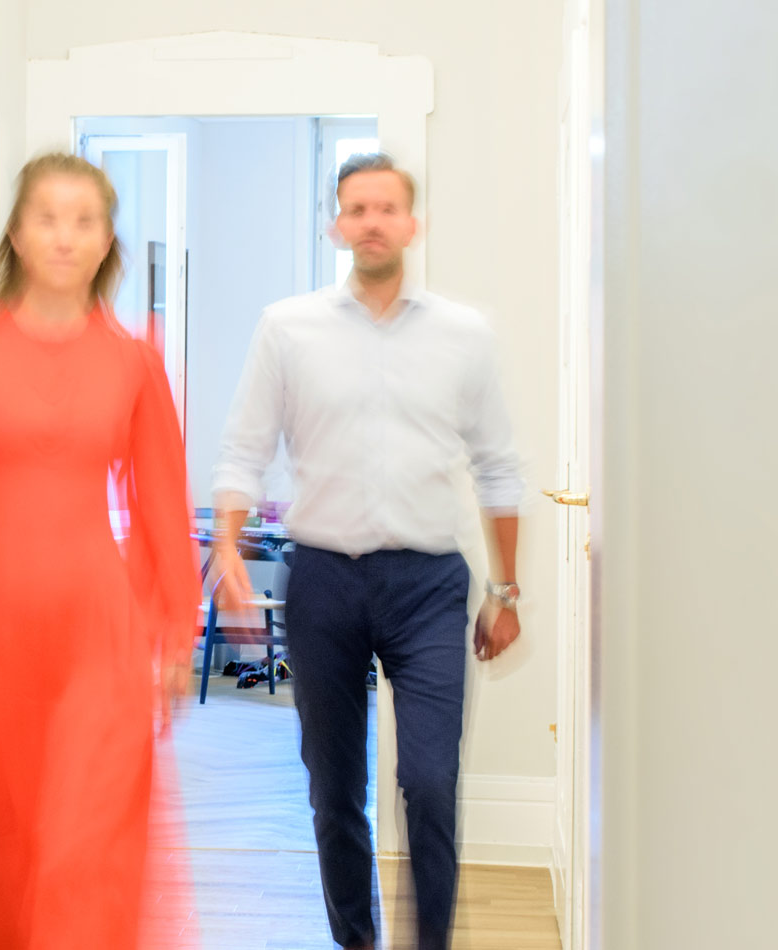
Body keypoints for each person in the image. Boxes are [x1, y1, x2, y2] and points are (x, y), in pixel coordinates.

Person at [0, 153, 198, 950]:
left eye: (84, 221)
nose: (65, 237)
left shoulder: (134, 363)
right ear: (17, 235)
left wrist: (173, 631)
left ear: (106, 241)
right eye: (47, 218)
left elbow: (163, 505)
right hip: (1, 628)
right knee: (2, 836)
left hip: (99, 628)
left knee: (86, 843)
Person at [210, 153, 525, 950]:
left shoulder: (464, 335)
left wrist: (506, 592)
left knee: (431, 781)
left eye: (387, 208)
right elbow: (244, 450)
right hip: (323, 582)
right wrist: (228, 553)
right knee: (334, 790)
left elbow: (498, 466)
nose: (373, 221)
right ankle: (356, 940)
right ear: (336, 226)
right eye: (357, 209)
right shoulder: (288, 328)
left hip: (429, 586)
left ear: (413, 224)